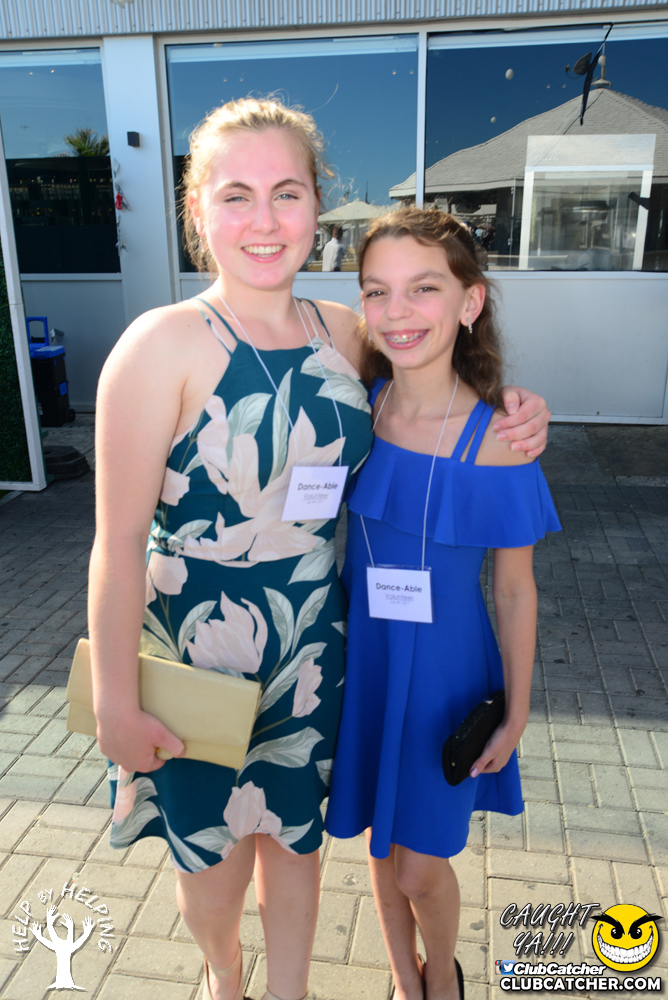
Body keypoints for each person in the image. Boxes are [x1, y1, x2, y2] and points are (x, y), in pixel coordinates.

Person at [88, 98, 550, 1000]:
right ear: (198, 213)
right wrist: (113, 700)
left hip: (313, 646)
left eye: (287, 193)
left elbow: (437, 374)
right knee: (213, 874)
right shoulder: (158, 347)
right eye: (236, 195)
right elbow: (118, 541)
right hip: (198, 652)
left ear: (316, 204)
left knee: (295, 850)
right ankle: (226, 975)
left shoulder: (347, 333)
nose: (264, 220)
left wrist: (519, 411)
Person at [325, 207, 561, 1000]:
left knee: (420, 866)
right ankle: (405, 979)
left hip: (445, 676)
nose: (398, 312)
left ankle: (444, 974)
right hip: (366, 657)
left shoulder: (501, 438)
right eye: (377, 291)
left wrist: (517, 712)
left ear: (470, 302)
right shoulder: (358, 403)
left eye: (424, 288)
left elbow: (516, 588)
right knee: (379, 839)